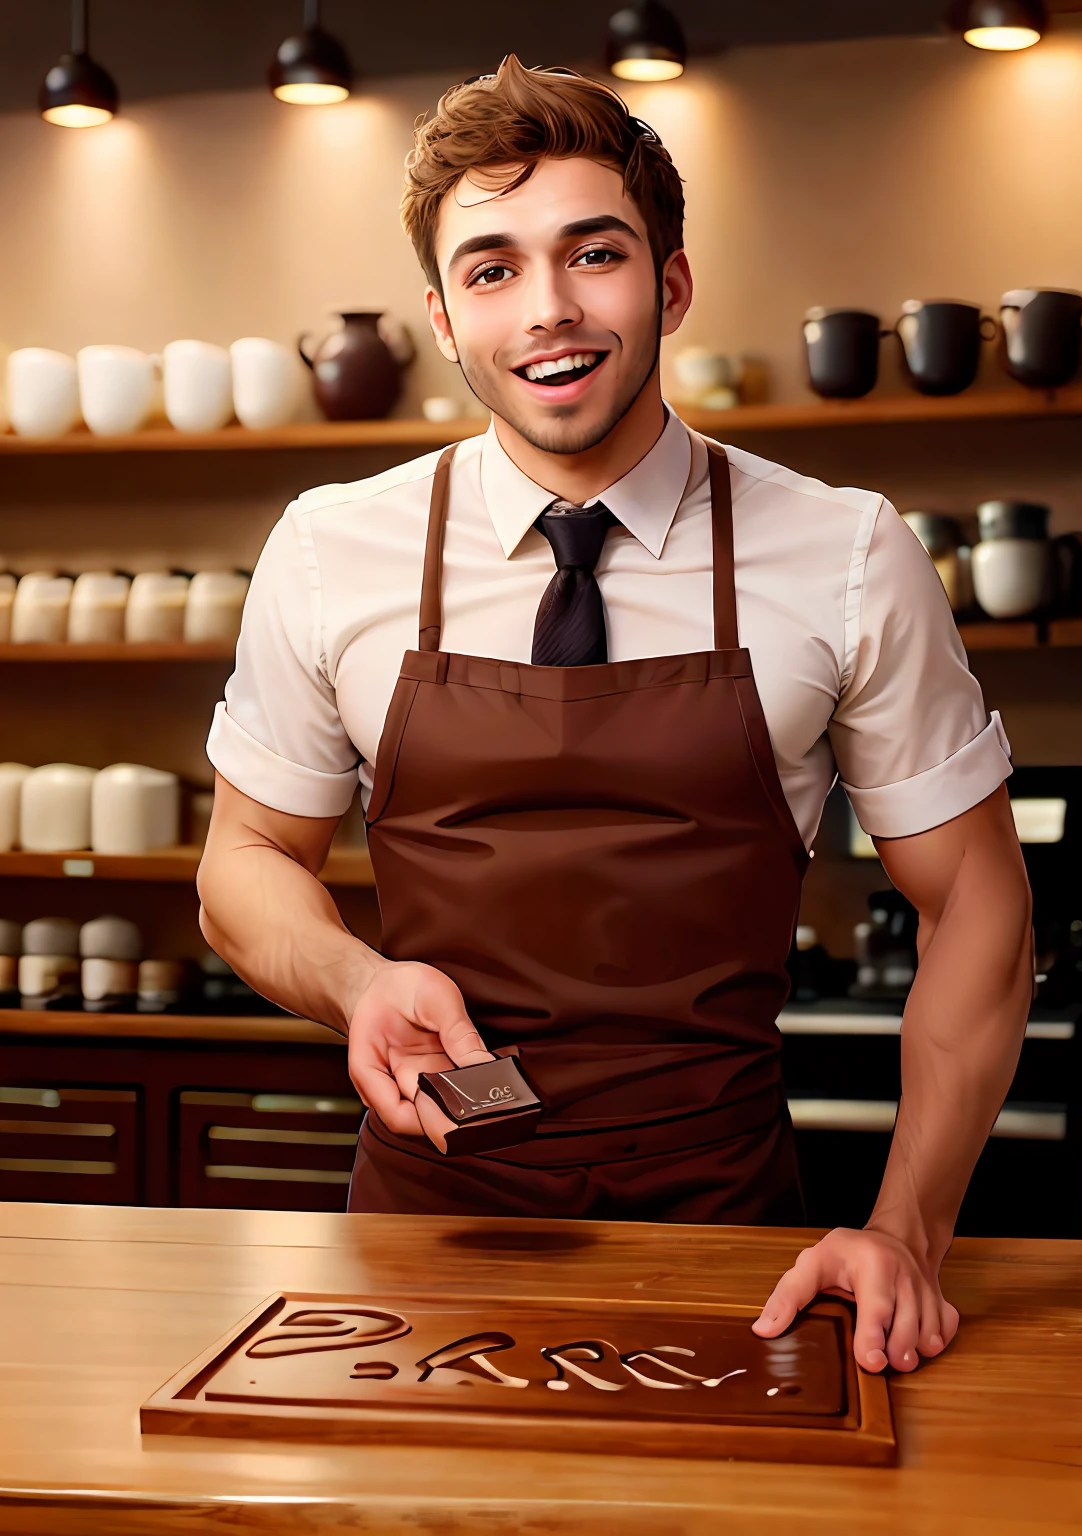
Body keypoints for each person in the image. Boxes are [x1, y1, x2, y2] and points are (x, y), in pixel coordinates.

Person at [198, 57, 1033, 1377]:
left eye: (595, 254)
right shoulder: (328, 548)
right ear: (442, 314)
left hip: (735, 1241)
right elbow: (242, 865)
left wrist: (909, 1233)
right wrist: (358, 983)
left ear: (673, 282)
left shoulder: (848, 552)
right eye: (493, 269)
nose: (549, 310)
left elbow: (980, 896)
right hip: (422, 1243)